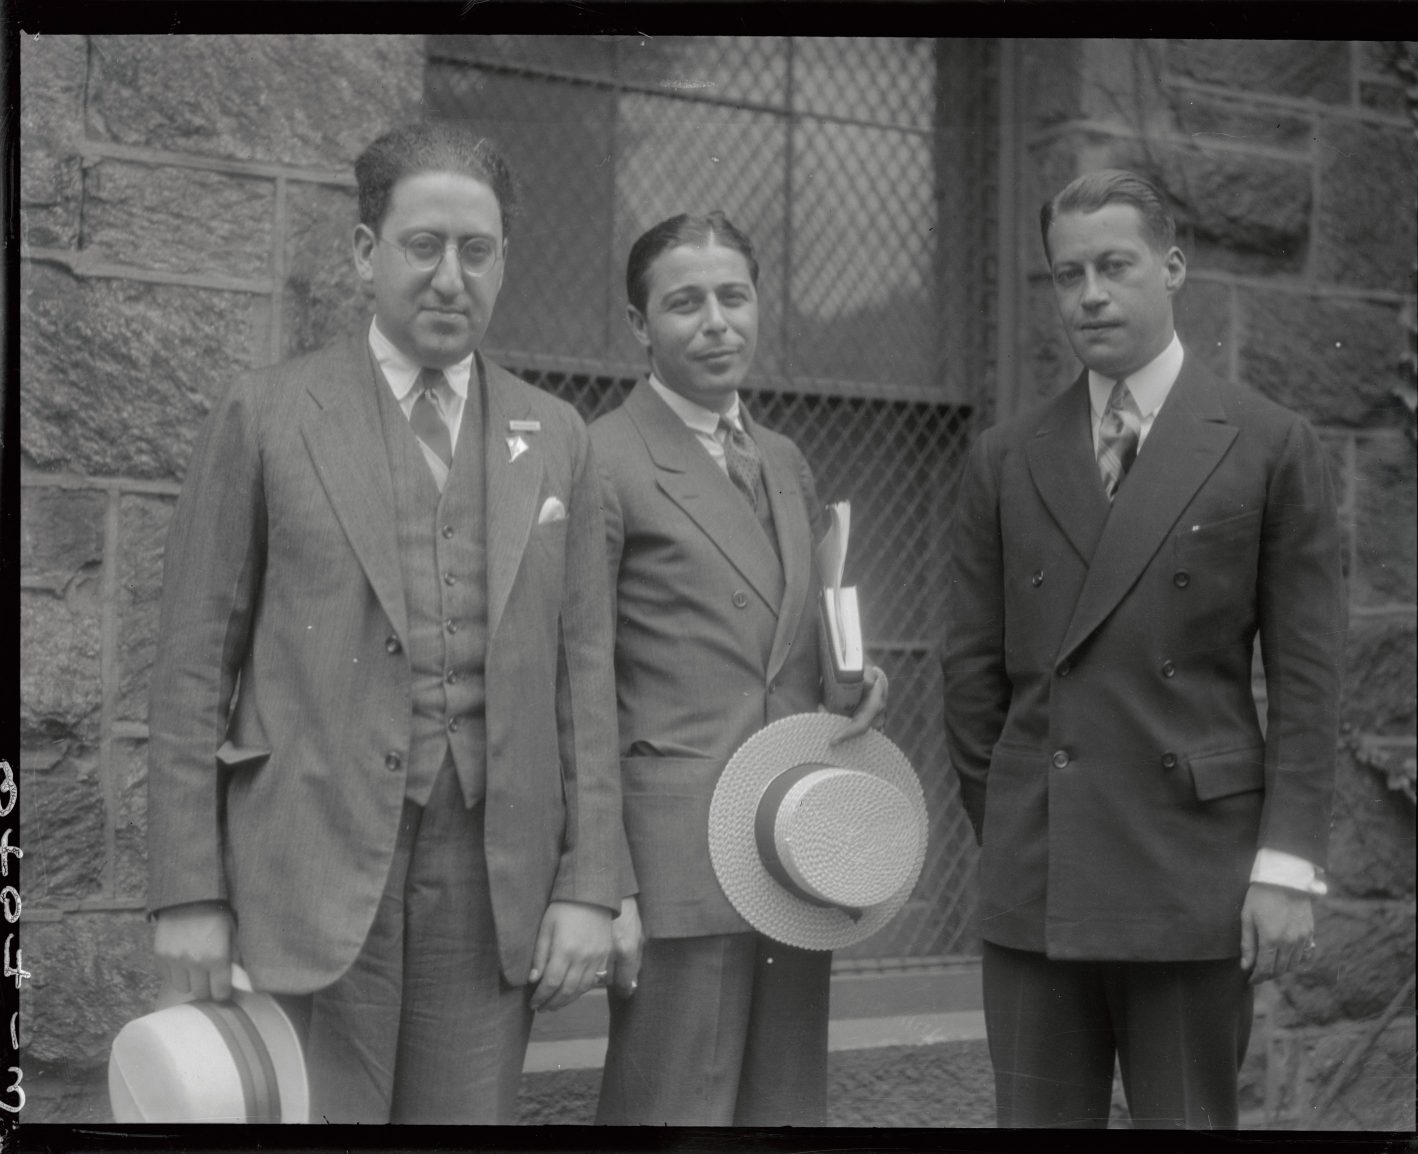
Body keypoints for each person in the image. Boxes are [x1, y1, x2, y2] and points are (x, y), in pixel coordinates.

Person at [146, 122, 623, 1124]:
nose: (452, 278)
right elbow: (193, 667)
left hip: (493, 882)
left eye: (478, 250)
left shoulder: (559, 436)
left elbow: (584, 675)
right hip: (305, 869)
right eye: (423, 245)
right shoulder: (268, 414)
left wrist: (590, 886)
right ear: (367, 253)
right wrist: (188, 893)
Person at [942, 169, 1346, 1129]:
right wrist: (1022, 819)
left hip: (1190, 872)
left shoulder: (1267, 443)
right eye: (1067, 273)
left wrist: (1284, 869)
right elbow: (970, 681)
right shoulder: (1007, 456)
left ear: (1171, 267)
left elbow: (1307, 680)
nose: (1088, 294)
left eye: (1114, 266)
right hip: (1043, 874)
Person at [589, 212, 888, 1126]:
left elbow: (785, 633)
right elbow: (576, 688)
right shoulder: (603, 457)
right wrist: (604, 886)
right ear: (640, 326)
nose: (716, 321)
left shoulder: (785, 461)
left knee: (783, 1107)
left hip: (793, 843)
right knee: (672, 1112)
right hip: (676, 863)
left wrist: (851, 681)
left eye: (734, 296)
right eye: (685, 303)